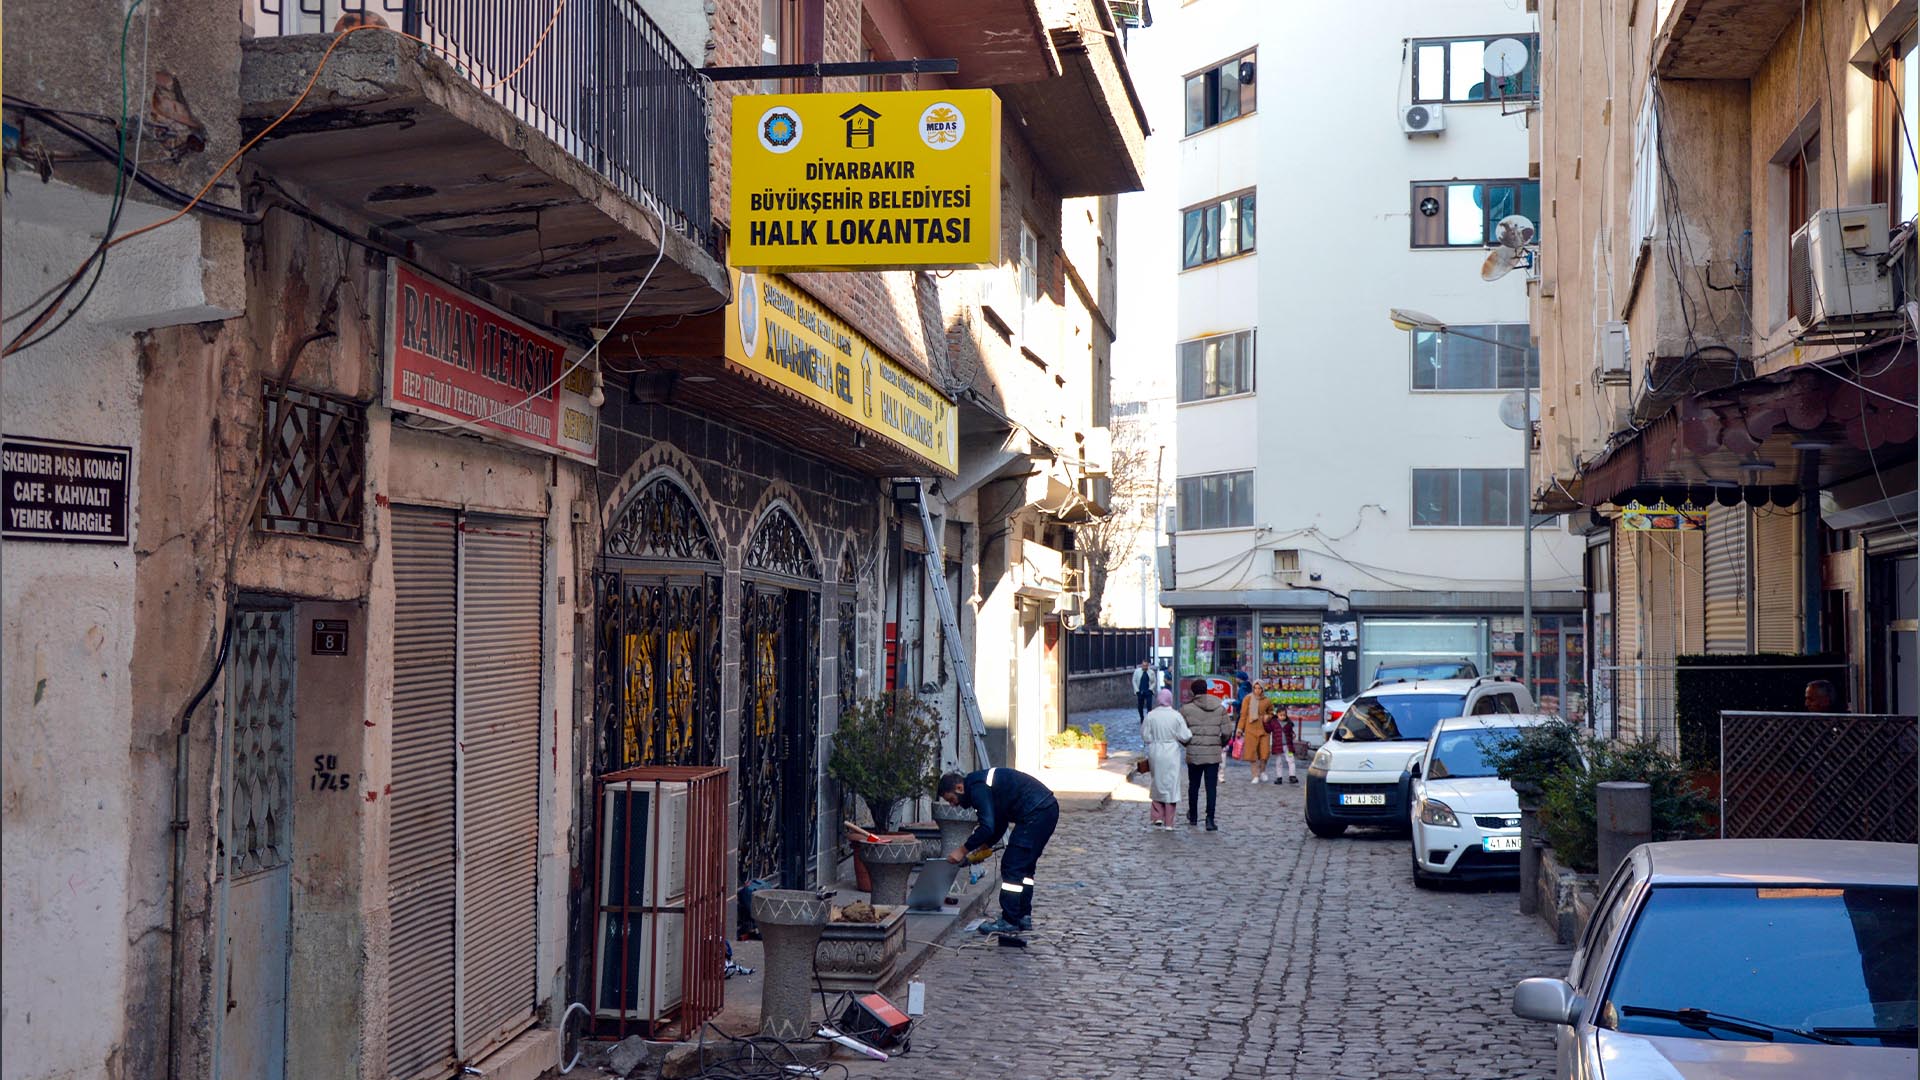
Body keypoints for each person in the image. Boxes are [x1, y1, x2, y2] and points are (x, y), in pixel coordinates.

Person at [939, 766, 1060, 934]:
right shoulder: (982, 785)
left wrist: (962, 850)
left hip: (1035, 812)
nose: (953, 805)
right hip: (1046, 809)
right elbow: (999, 823)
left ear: (959, 788)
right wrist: (985, 846)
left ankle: (1009, 920)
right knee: (1024, 868)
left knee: (1012, 866)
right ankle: (1023, 916)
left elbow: (987, 827)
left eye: (951, 799)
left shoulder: (977, 788)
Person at [1179, 678, 1231, 830]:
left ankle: (1193, 816)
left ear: (1193, 692)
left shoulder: (1186, 709)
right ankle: (1210, 819)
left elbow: (1180, 733)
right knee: (1211, 788)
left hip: (1194, 753)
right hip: (1213, 754)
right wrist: (1219, 744)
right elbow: (1227, 732)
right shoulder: (1220, 708)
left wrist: (1188, 744)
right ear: (1207, 690)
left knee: (1193, 786)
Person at [1141, 688, 1192, 829]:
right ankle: (1169, 821)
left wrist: (1156, 739)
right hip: (1171, 752)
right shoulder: (1176, 716)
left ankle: (1157, 815)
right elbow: (1185, 735)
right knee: (1171, 784)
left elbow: (1146, 736)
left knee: (1157, 781)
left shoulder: (1151, 715)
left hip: (1156, 750)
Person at [1236, 680, 1272, 783]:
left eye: (1259, 688)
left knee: (1264, 752)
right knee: (1252, 753)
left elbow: (1271, 712)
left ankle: (1263, 771)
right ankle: (1255, 774)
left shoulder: (1267, 700)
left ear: (1263, 689)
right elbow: (1243, 715)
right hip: (1250, 727)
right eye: (1255, 688)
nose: (1257, 690)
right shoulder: (1247, 699)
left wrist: (1268, 716)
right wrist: (1239, 729)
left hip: (1263, 728)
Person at [1267, 706, 1299, 784]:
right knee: (1278, 762)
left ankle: (1292, 776)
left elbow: (1291, 732)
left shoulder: (1289, 723)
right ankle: (1279, 777)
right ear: (1277, 714)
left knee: (1291, 760)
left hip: (1288, 746)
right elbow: (1268, 729)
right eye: (1281, 715)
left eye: (1284, 715)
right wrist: (1265, 722)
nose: (1282, 717)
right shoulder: (1273, 722)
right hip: (1278, 745)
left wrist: (1293, 734)